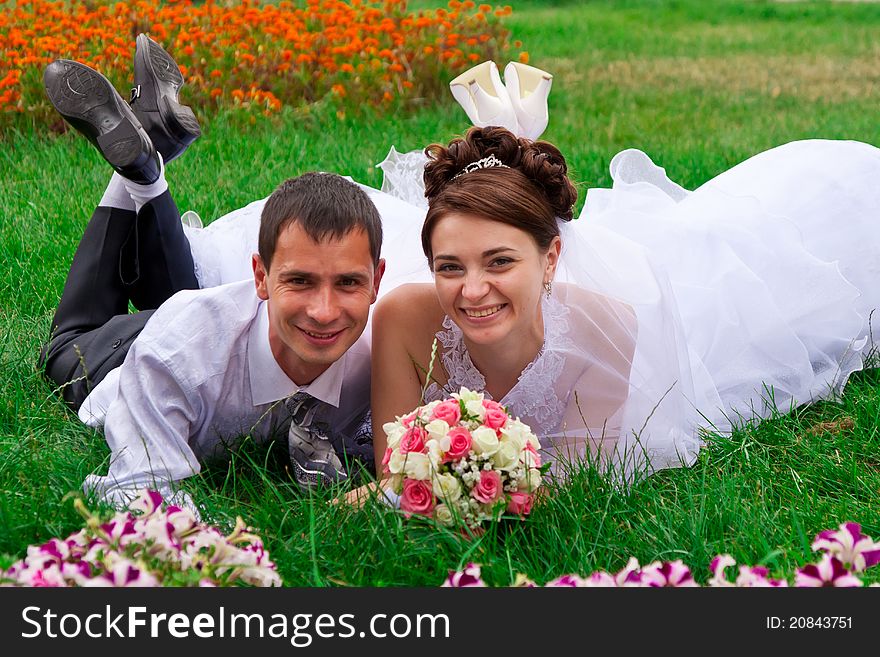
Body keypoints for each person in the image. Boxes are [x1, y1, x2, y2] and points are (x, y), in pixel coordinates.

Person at [368, 124, 880, 483]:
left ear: (551, 259)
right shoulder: (402, 319)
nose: (472, 289)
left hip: (701, 325)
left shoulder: (608, 328)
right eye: (450, 266)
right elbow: (393, 471)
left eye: (500, 262)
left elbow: (566, 488)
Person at [40, 38, 385, 508]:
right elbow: (144, 492)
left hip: (219, 327)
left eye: (347, 282)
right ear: (259, 276)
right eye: (299, 280)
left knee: (194, 319)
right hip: (128, 358)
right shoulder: (175, 358)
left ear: (377, 282)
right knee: (65, 346)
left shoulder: (387, 357)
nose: (325, 312)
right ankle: (139, 176)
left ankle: (147, 166)